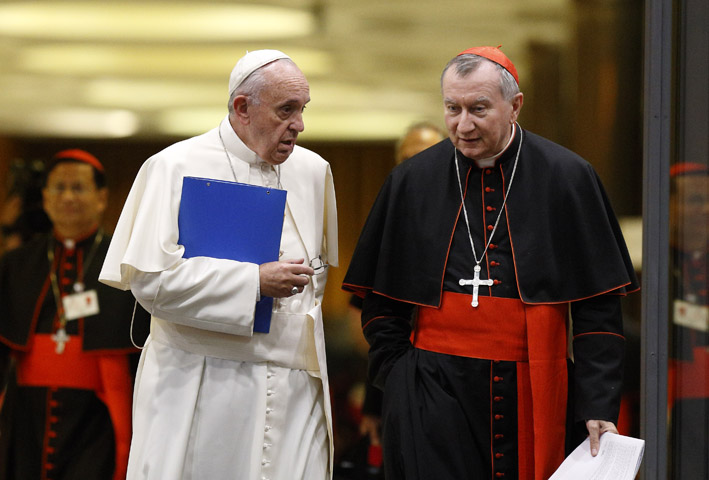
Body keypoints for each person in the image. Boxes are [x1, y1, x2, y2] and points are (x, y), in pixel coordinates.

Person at [342, 46, 639, 480]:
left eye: (479, 109)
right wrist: (402, 379)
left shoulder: (567, 176)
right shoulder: (412, 181)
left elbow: (597, 307)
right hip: (432, 389)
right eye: (452, 108)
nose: (463, 124)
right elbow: (380, 303)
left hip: (533, 385)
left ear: (514, 105)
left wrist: (597, 402)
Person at [99, 49, 338, 480]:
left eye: (303, 110)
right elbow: (150, 283)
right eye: (286, 110)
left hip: (292, 389)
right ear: (242, 107)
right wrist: (253, 282)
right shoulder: (174, 165)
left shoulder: (314, 171)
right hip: (197, 382)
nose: (299, 125)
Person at [0, 149, 150, 480]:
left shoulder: (124, 264)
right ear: (44, 197)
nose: (68, 197)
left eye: (78, 188)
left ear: (101, 197)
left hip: (95, 419)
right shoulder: (16, 264)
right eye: (58, 188)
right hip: (27, 414)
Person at [668, 162, 708, 479]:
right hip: (675, 395)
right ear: (669, 206)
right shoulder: (650, 265)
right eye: (696, 201)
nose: (706, 210)